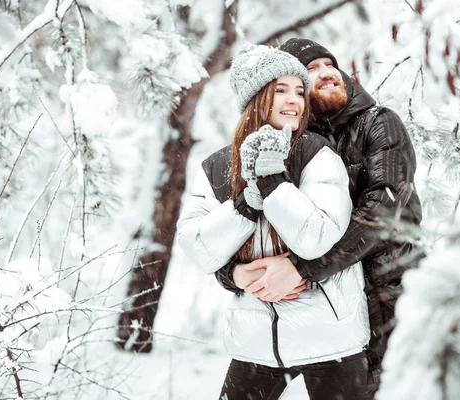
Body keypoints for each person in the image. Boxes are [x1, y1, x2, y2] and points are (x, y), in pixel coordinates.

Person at [215, 38, 423, 397]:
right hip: (296, 305)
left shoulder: (379, 123)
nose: (327, 72)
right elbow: (244, 231)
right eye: (311, 69)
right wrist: (233, 274)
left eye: (330, 64)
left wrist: (298, 269)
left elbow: (382, 211)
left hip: (382, 300)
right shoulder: (282, 143)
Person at [177, 44, 371, 400]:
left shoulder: (317, 155)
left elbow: (317, 237)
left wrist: (273, 185)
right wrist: (244, 207)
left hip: (330, 339)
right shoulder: (218, 168)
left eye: (299, 91)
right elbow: (199, 248)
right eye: (280, 90)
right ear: (255, 99)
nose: (294, 100)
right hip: (255, 344)